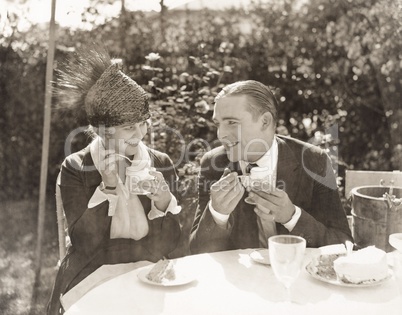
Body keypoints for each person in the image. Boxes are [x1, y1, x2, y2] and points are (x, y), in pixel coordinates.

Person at [47, 44, 181, 314]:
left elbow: (170, 244)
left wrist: (163, 202)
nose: (140, 133)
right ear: (102, 131)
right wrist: (108, 187)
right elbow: (85, 244)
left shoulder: (160, 163)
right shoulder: (76, 167)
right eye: (129, 127)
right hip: (93, 270)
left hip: (148, 268)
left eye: (144, 123)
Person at [189, 80, 353, 254]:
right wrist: (217, 214)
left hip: (295, 275)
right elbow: (197, 252)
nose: (221, 134)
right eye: (218, 124)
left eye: (231, 122)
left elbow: (343, 244)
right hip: (243, 279)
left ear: (265, 121)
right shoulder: (213, 164)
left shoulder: (314, 160)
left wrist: (292, 217)